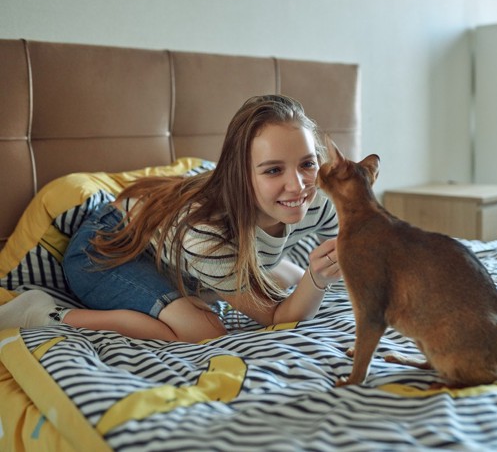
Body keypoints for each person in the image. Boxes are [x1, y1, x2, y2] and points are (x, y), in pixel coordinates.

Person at [0, 95, 342, 342]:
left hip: (188, 257)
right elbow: (276, 318)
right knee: (206, 331)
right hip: (109, 251)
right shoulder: (205, 232)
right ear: (241, 176)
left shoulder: (317, 199)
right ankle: (47, 314)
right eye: (273, 170)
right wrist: (316, 278)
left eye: (307, 163)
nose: (297, 185)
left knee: (285, 278)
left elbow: (361, 240)